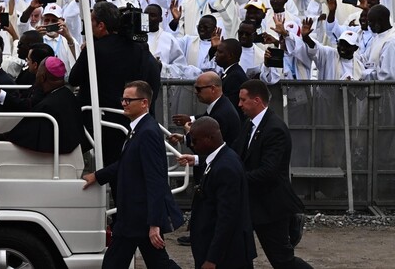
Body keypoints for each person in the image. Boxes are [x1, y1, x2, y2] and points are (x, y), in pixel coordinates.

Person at [82, 80, 184, 269]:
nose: (123, 103)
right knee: (155, 263)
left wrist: (154, 224)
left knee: (123, 263)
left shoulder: (147, 132)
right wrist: (98, 175)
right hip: (134, 216)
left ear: (144, 103)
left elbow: (156, 179)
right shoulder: (139, 129)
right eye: (123, 99)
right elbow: (127, 163)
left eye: (129, 100)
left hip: (138, 217)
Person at [70, 0, 161, 164]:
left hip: (101, 120)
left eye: (91, 21)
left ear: (100, 26)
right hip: (130, 118)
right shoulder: (139, 49)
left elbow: (73, 78)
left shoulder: (95, 49)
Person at [234, 80, 313, 269]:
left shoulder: (274, 129)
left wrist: (236, 179)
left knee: (282, 260)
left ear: (257, 100)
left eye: (243, 100)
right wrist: (198, 159)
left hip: (271, 206)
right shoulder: (249, 125)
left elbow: (269, 171)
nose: (239, 104)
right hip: (252, 204)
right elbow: (233, 154)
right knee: (235, 252)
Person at [186, 117, 257, 269]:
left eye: (195, 140)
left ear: (209, 138)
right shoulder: (220, 159)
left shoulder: (225, 167)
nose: (192, 145)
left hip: (227, 257)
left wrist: (213, 258)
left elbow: (227, 218)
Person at [0, 56, 82, 154]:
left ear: (42, 77)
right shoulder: (67, 94)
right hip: (63, 147)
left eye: (38, 71)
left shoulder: (47, 106)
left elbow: (24, 136)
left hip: (47, 154)